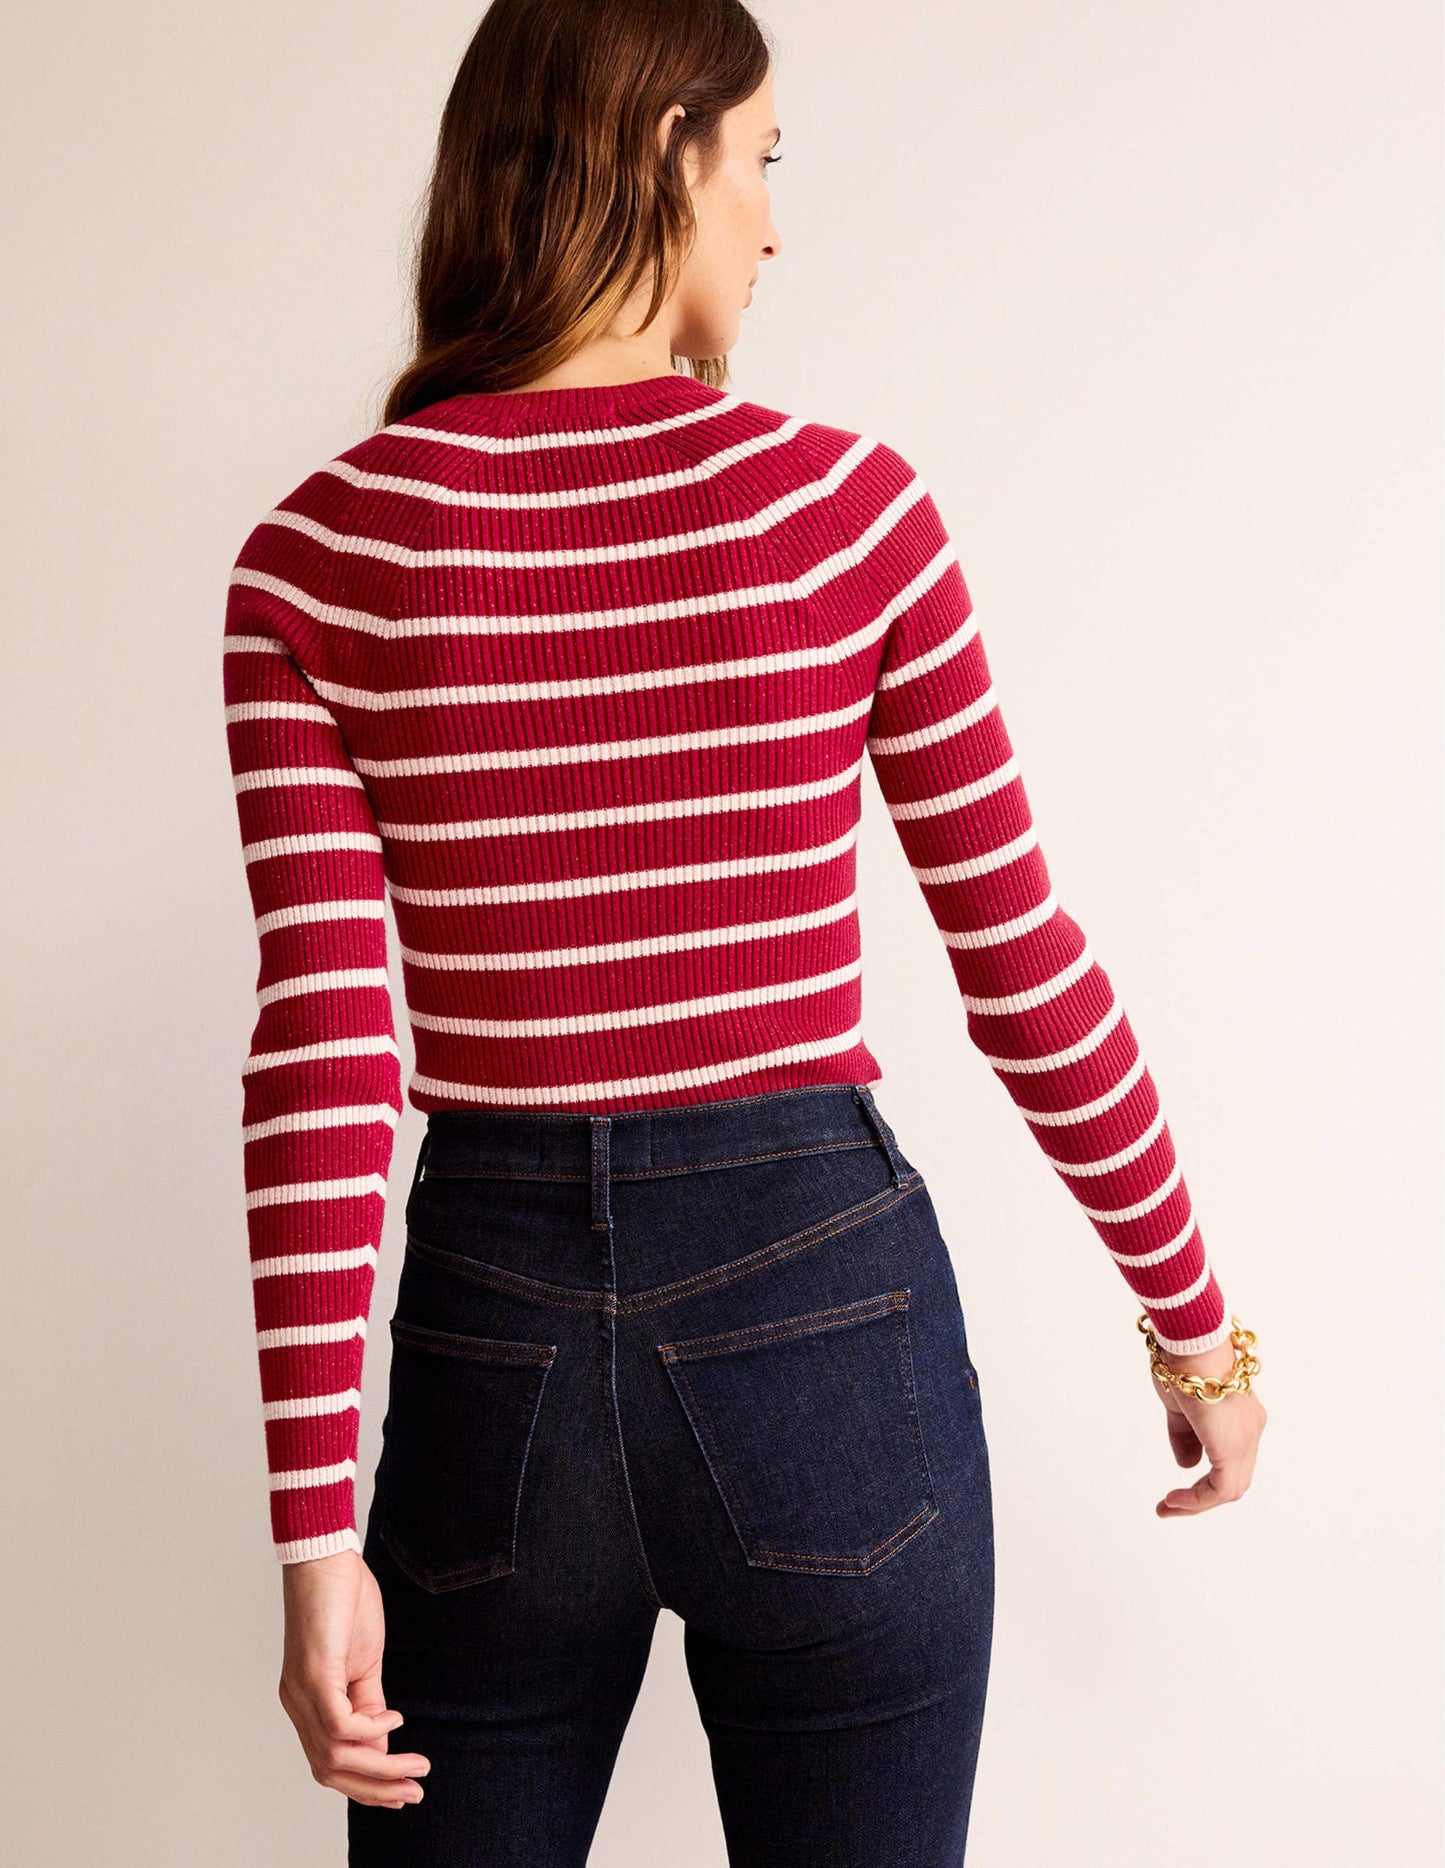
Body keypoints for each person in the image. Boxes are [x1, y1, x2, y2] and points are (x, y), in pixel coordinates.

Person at [222, 1, 1266, 1860]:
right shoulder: (843, 511)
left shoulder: (321, 557)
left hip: (492, 1369)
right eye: (763, 161)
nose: (775, 225)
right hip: (824, 1333)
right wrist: (1197, 1334)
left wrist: (314, 1535)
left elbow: (324, 1045)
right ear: (666, 151)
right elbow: (1017, 961)